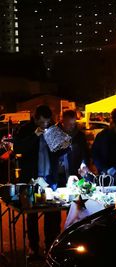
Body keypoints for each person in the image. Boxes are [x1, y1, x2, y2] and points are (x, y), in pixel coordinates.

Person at [13, 105, 64, 259]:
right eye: (41, 123)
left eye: (47, 122)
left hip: (50, 178)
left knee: (53, 215)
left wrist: (64, 145)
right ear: (35, 119)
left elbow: (61, 151)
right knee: (32, 214)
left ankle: (51, 246)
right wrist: (35, 135)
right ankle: (33, 248)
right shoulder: (26, 129)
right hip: (32, 178)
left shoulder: (53, 129)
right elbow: (18, 148)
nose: (44, 126)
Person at [57, 110, 90, 184]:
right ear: (63, 122)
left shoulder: (79, 136)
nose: (72, 126)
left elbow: (85, 153)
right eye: (69, 124)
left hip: (75, 172)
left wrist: (84, 163)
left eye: (74, 123)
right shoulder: (55, 134)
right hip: (58, 174)